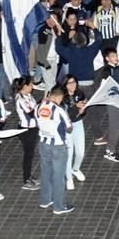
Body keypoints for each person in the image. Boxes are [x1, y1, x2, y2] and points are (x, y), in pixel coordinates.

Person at [35, 84, 75, 215]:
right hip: (58, 146)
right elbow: (69, 128)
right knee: (58, 176)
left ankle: (45, 200)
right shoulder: (59, 110)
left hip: (43, 142)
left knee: (45, 172)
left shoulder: (38, 107)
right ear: (59, 98)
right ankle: (59, 206)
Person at [13, 76, 40, 191]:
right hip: (27, 130)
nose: (32, 86)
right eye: (30, 85)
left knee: (30, 154)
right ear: (25, 86)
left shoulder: (27, 96)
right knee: (28, 155)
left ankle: (29, 176)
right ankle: (26, 180)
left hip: (32, 128)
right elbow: (32, 112)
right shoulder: (21, 99)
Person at [62, 75, 88, 189]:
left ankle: (76, 169)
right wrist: (75, 107)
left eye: (74, 82)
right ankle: (69, 178)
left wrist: (82, 110)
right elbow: (65, 114)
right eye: (69, 83)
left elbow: (81, 112)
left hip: (78, 124)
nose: (72, 85)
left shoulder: (80, 94)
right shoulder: (62, 97)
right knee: (69, 153)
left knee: (80, 152)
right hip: (67, 127)